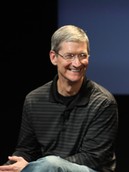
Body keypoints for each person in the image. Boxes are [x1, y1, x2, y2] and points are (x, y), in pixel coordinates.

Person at [0, 25, 118, 172]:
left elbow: (93, 158)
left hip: (89, 169)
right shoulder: (34, 99)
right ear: (53, 57)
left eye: (82, 55)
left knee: (50, 164)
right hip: (44, 168)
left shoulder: (103, 102)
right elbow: (26, 150)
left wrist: (36, 167)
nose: (77, 63)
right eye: (69, 56)